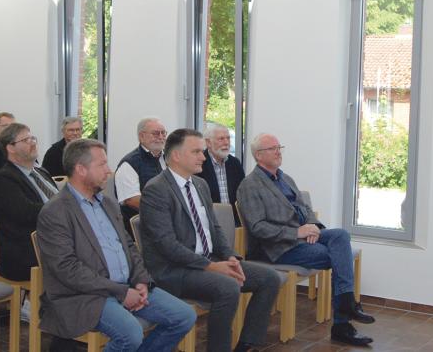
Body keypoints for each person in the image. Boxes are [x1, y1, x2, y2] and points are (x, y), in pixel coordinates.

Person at [37, 138, 196, 352]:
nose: (109, 170)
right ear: (81, 169)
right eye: (102, 164)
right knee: (130, 334)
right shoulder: (56, 211)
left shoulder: (108, 203)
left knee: (184, 316)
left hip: (126, 285)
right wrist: (121, 292)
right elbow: (68, 270)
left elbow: (129, 246)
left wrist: (141, 280)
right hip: (86, 295)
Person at [139, 128, 280, 352]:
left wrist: (231, 257)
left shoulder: (199, 184)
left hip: (208, 260)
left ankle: (247, 344)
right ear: (176, 155)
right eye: (196, 151)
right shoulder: (156, 189)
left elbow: (214, 228)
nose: (203, 157)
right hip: (174, 270)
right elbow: (167, 246)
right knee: (227, 287)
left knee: (269, 278)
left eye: (202, 151)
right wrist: (213, 266)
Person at [237, 133, 375, 346]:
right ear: (258, 155)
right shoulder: (249, 185)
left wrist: (313, 228)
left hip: (303, 237)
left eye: (279, 147)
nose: (278, 151)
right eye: (272, 148)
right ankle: (343, 318)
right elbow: (257, 228)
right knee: (334, 255)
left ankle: (345, 305)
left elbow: (305, 209)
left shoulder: (285, 178)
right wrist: (297, 233)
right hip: (277, 246)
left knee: (340, 235)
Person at [0, 122, 57, 283]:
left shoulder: (41, 172)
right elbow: (27, 213)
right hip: (26, 248)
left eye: (32, 138)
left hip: (54, 238)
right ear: (10, 147)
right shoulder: (5, 178)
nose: (33, 142)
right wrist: (64, 207)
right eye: (26, 140)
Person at [113, 117, 168, 226]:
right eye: (156, 133)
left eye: (163, 133)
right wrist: (166, 210)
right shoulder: (129, 164)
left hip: (167, 220)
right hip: (144, 225)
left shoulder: (169, 158)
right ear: (141, 136)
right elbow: (132, 200)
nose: (161, 137)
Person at [196, 123, 246, 225]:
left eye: (228, 138)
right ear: (208, 143)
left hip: (233, 221)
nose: (226, 142)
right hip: (208, 221)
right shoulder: (199, 163)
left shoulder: (234, 163)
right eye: (221, 139)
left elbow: (243, 194)